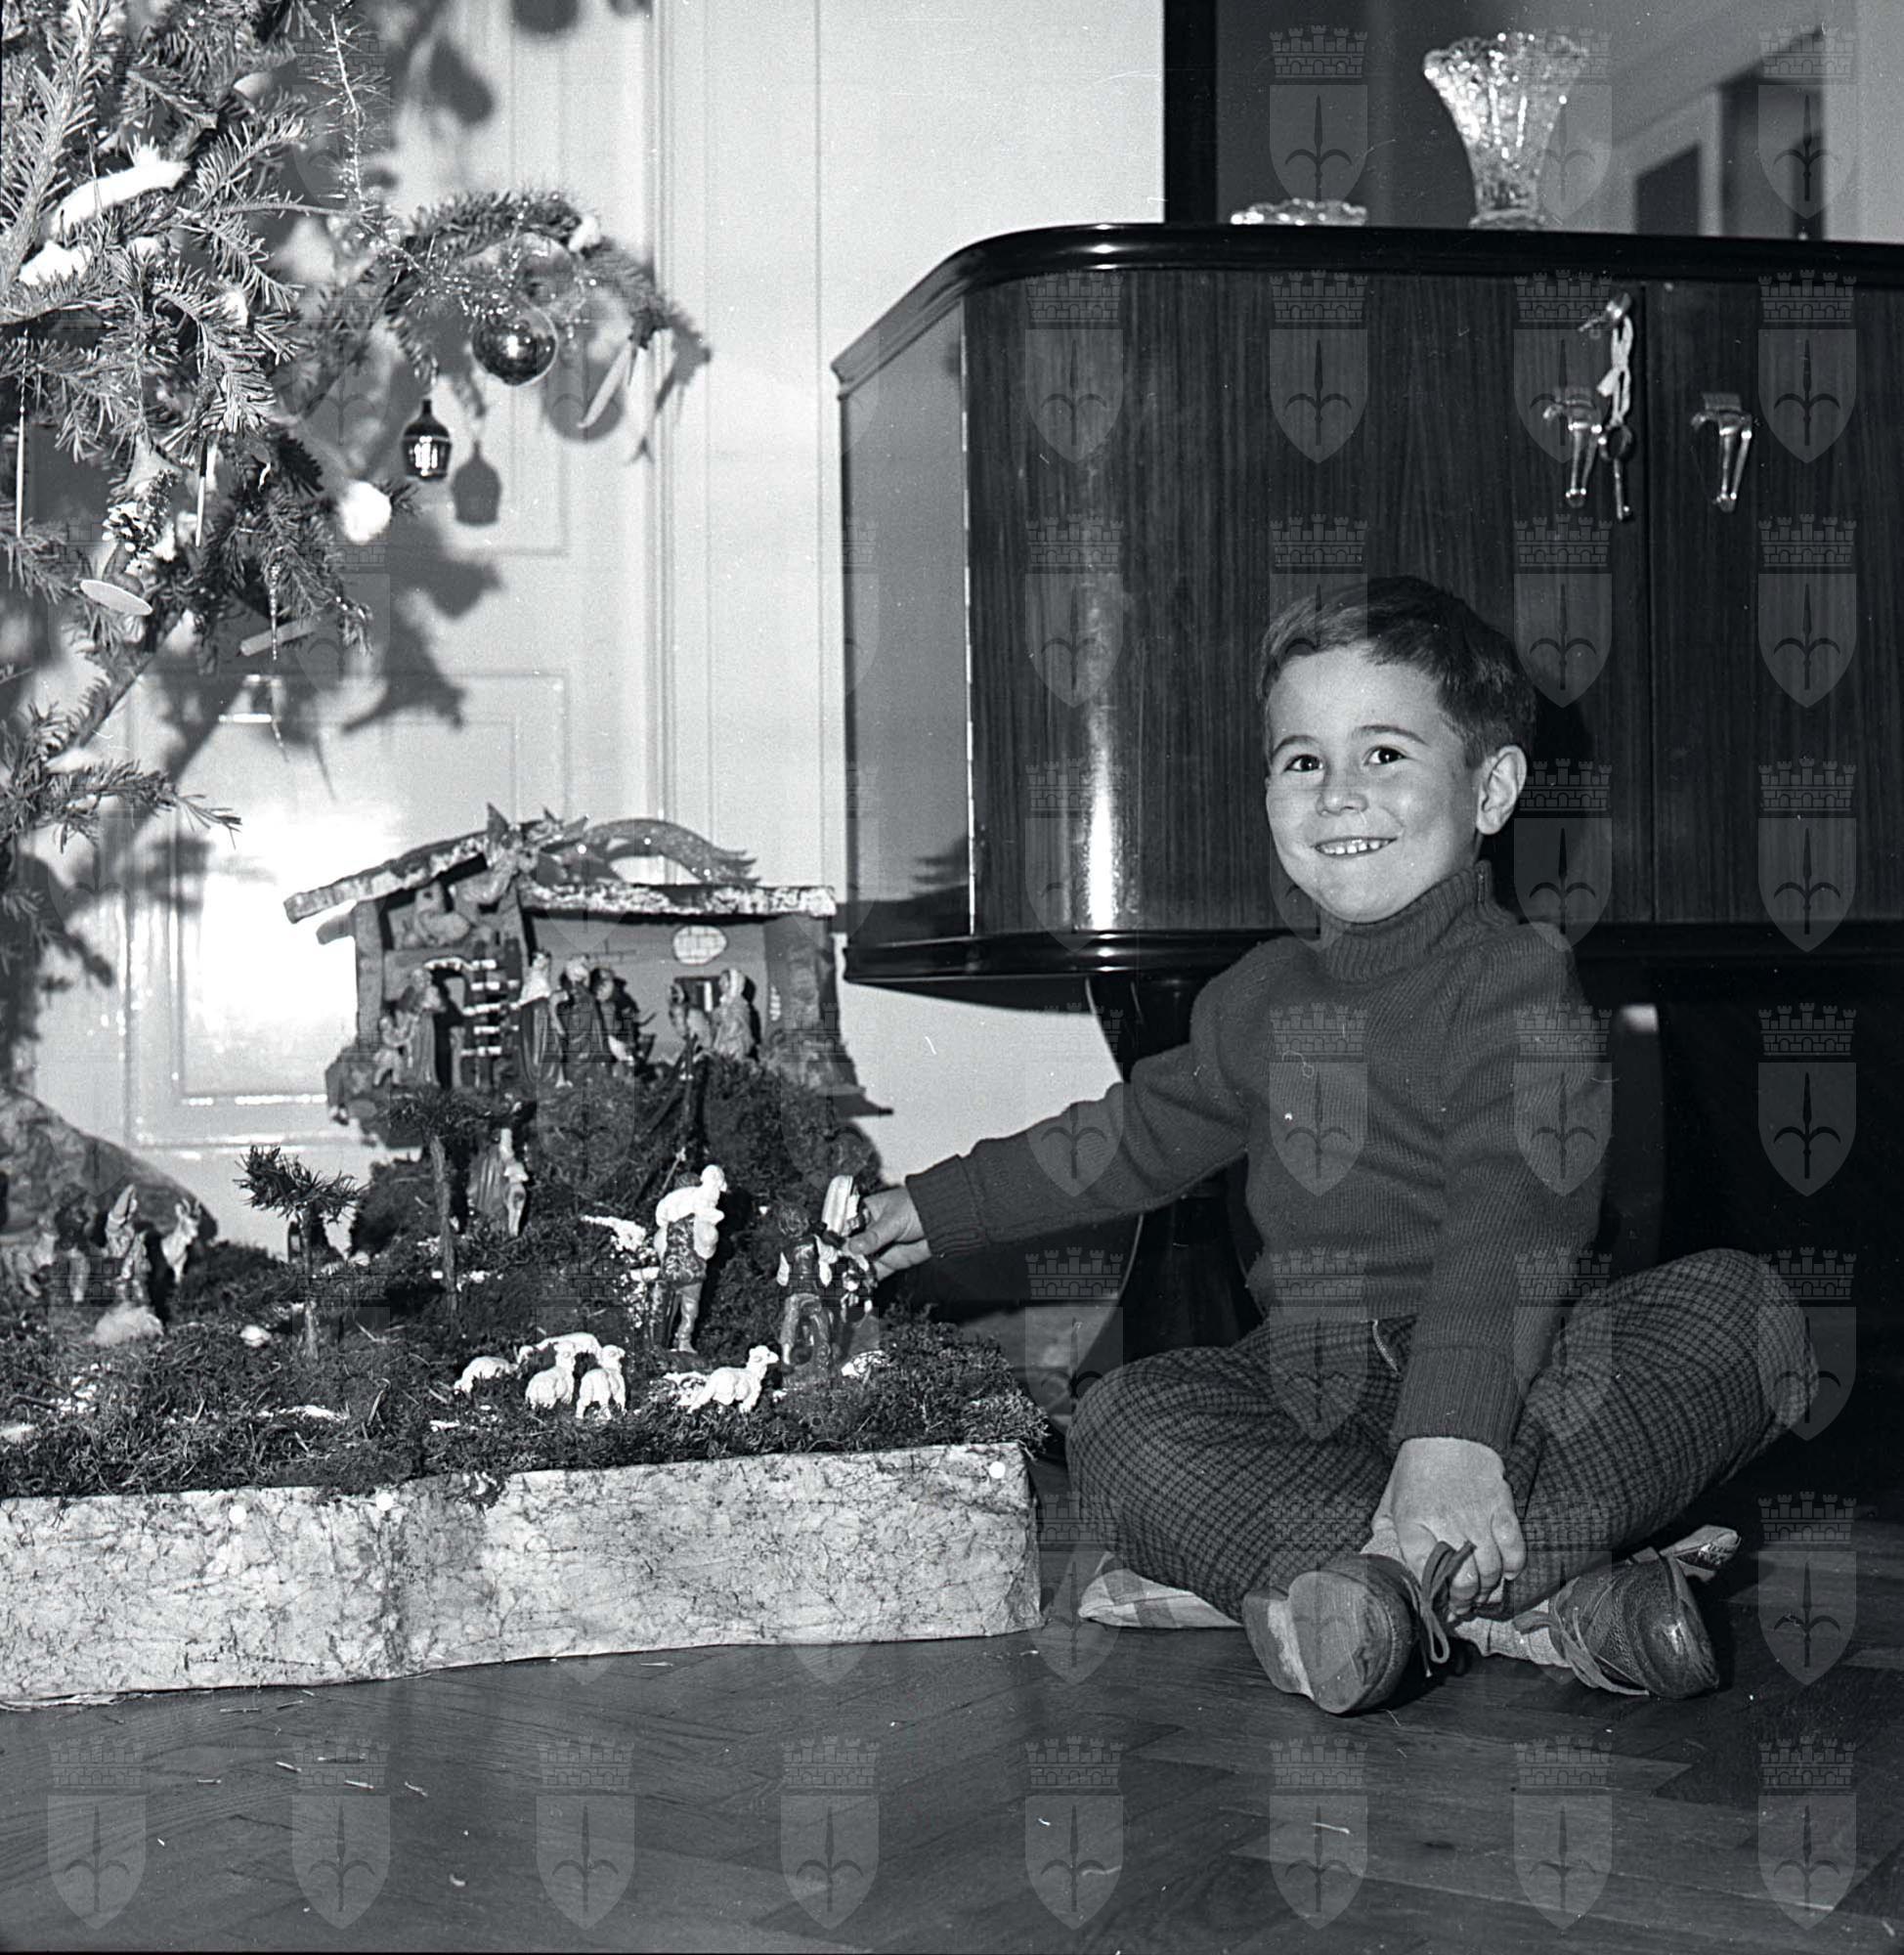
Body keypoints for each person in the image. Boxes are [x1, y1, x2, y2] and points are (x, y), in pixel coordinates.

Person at [845, 577, 1814, 1717]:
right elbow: (1124, 1138)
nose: (1338, 791)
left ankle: (1370, 1591)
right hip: (1308, 1385)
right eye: (1301, 759)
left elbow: (1513, 1218)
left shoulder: (1519, 983)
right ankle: (1537, 1600)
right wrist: (932, 1207)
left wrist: (1452, 1436)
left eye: (1384, 753)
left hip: (1520, 1368)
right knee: (1117, 1421)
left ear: (1491, 788)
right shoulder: (1257, 996)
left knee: (1753, 1314)